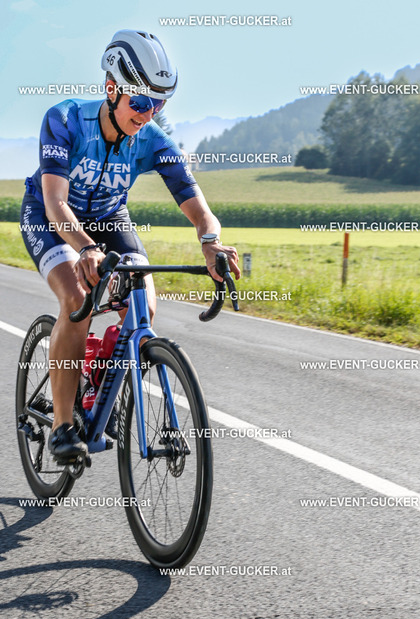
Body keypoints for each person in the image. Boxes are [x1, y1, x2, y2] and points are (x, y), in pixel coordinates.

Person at [20, 29, 240, 462]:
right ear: (111, 89)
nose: (148, 113)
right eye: (139, 102)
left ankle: (98, 387)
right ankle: (62, 425)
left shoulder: (153, 139)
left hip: (109, 217)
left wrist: (211, 241)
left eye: (159, 103)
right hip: (51, 216)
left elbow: (200, 210)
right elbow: (56, 203)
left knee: (143, 308)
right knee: (77, 298)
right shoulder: (64, 120)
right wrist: (86, 249)